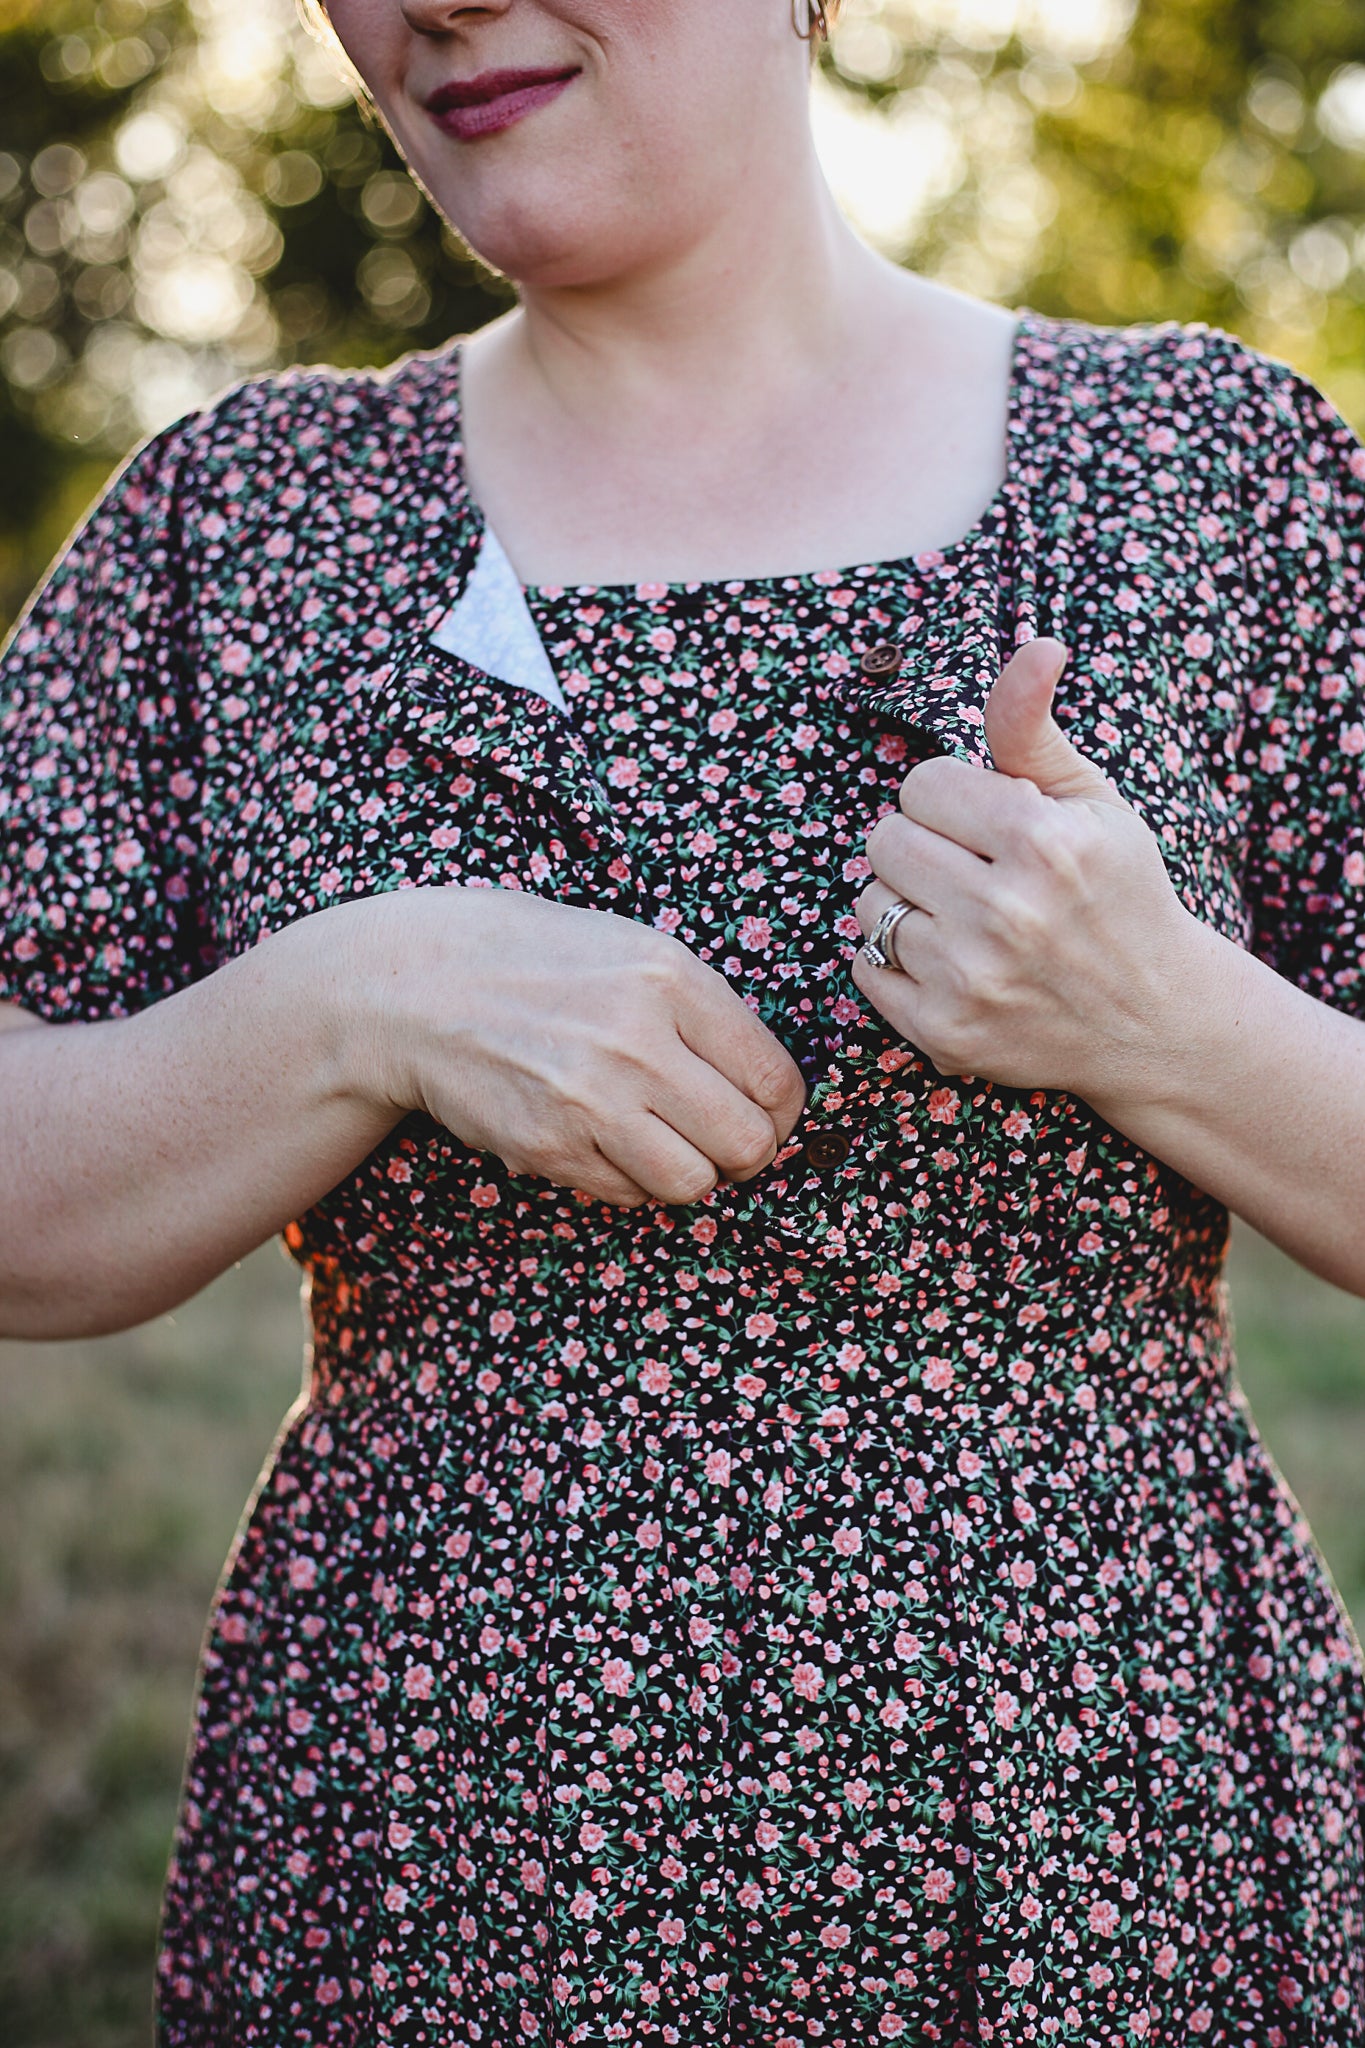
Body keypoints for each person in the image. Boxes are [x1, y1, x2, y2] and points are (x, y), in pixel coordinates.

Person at [2, 0, 1363, 2037]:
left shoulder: (1215, 479)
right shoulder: (238, 526)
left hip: (1108, 1846)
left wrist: (1161, 1016)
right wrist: (352, 1003)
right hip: (434, 1870)